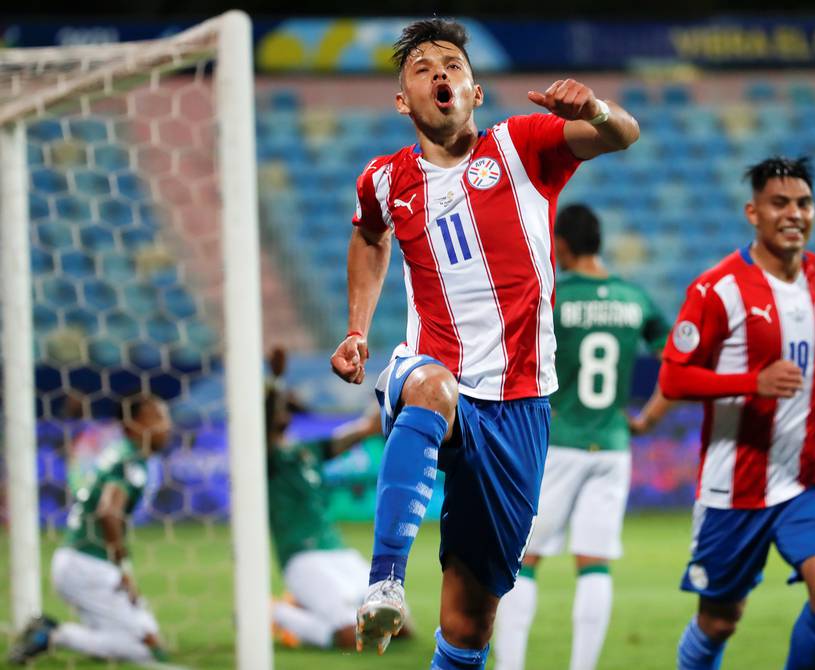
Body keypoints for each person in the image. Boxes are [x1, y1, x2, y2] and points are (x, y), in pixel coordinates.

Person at [329, 17, 639, 668]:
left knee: (470, 627)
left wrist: (596, 109)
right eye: (422, 67)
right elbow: (369, 234)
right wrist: (358, 330)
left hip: (521, 407)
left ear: (475, 91)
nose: (439, 73)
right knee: (430, 385)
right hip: (436, 378)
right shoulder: (386, 179)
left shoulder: (523, 147)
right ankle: (384, 580)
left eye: (452, 65)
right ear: (402, 100)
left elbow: (623, 135)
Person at [657, 156, 815, 670]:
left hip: (808, 474)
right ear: (754, 212)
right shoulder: (716, 289)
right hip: (735, 485)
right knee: (720, 620)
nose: (794, 213)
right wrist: (753, 382)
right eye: (780, 203)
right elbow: (672, 379)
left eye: (803, 203)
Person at [493, 203, 672, 670]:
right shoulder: (635, 298)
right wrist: (650, 416)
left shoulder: (555, 297)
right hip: (613, 446)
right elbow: (678, 361)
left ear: (564, 246)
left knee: (523, 560)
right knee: (594, 562)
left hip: (558, 444)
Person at [8, 395, 173, 665]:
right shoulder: (129, 460)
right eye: (156, 418)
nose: (166, 426)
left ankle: (86, 640)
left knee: (149, 639)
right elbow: (109, 510)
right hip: (89, 565)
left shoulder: (122, 454)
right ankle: (53, 635)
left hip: (78, 560)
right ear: (131, 424)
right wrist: (123, 566)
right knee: (145, 650)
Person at [263, 348, 389, 650]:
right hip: (304, 558)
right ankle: (276, 613)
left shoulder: (310, 451)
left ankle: (301, 608)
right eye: (278, 405)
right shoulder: (265, 457)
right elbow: (265, 424)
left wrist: (391, 400)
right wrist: (277, 380)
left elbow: (364, 429)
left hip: (338, 552)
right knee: (352, 638)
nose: (284, 408)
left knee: (395, 626)